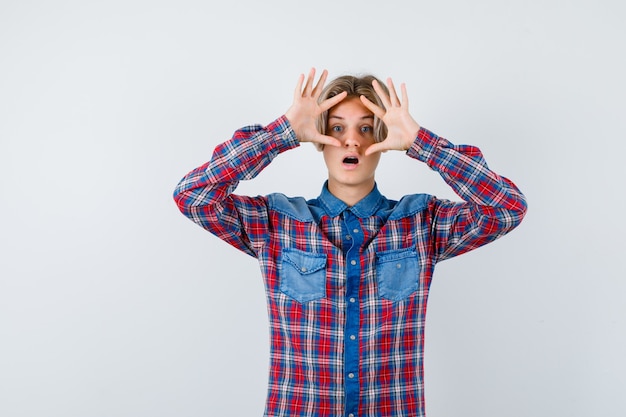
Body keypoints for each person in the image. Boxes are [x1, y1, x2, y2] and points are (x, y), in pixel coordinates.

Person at [173, 68, 527, 417]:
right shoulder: (276, 222)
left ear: (385, 140)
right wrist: (281, 134)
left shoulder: (422, 222)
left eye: (367, 129)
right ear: (317, 138)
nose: (352, 141)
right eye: (337, 128)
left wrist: (423, 142)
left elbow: (507, 208)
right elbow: (193, 196)